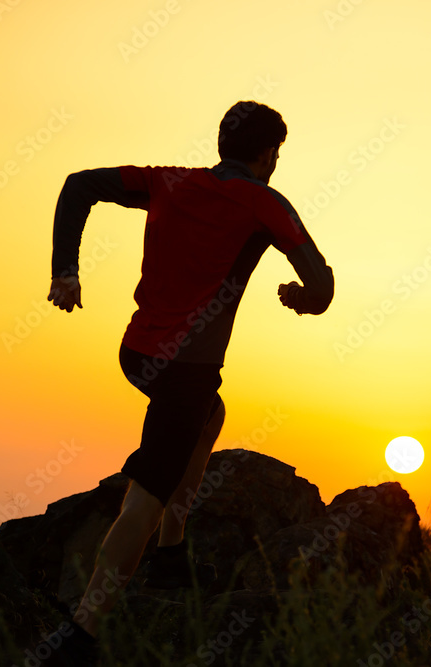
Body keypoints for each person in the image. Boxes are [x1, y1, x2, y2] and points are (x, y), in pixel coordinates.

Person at [42, 101, 334, 663]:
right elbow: (320, 287)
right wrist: (298, 301)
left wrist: (66, 272)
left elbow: (78, 185)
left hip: (137, 354)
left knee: (210, 417)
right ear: (268, 153)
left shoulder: (170, 183)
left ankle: (173, 555)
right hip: (185, 372)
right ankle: (79, 634)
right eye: (276, 152)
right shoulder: (264, 202)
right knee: (145, 499)